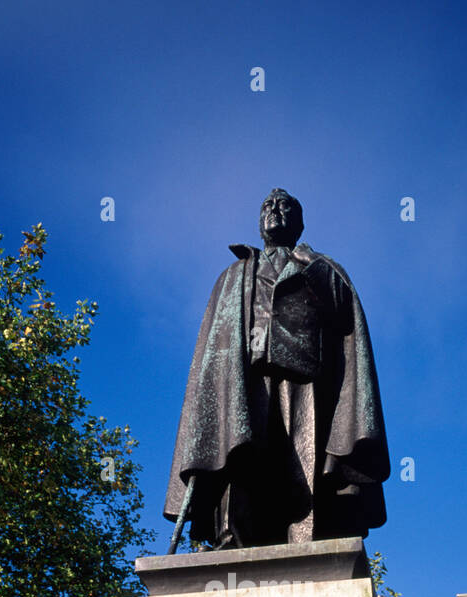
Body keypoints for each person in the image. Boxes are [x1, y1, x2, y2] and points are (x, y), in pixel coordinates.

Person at [164, 189, 390, 549]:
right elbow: (214, 345)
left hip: (304, 379)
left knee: (303, 460)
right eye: (268, 206)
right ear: (259, 222)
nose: (276, 211)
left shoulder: (320, 266)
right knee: (239, 453)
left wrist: (311, 263)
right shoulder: (235, 274)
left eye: (286, 207)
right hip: (245, 377)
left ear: (300, 224)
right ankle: (232, 539)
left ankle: (308, 537)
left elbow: (342, 312)